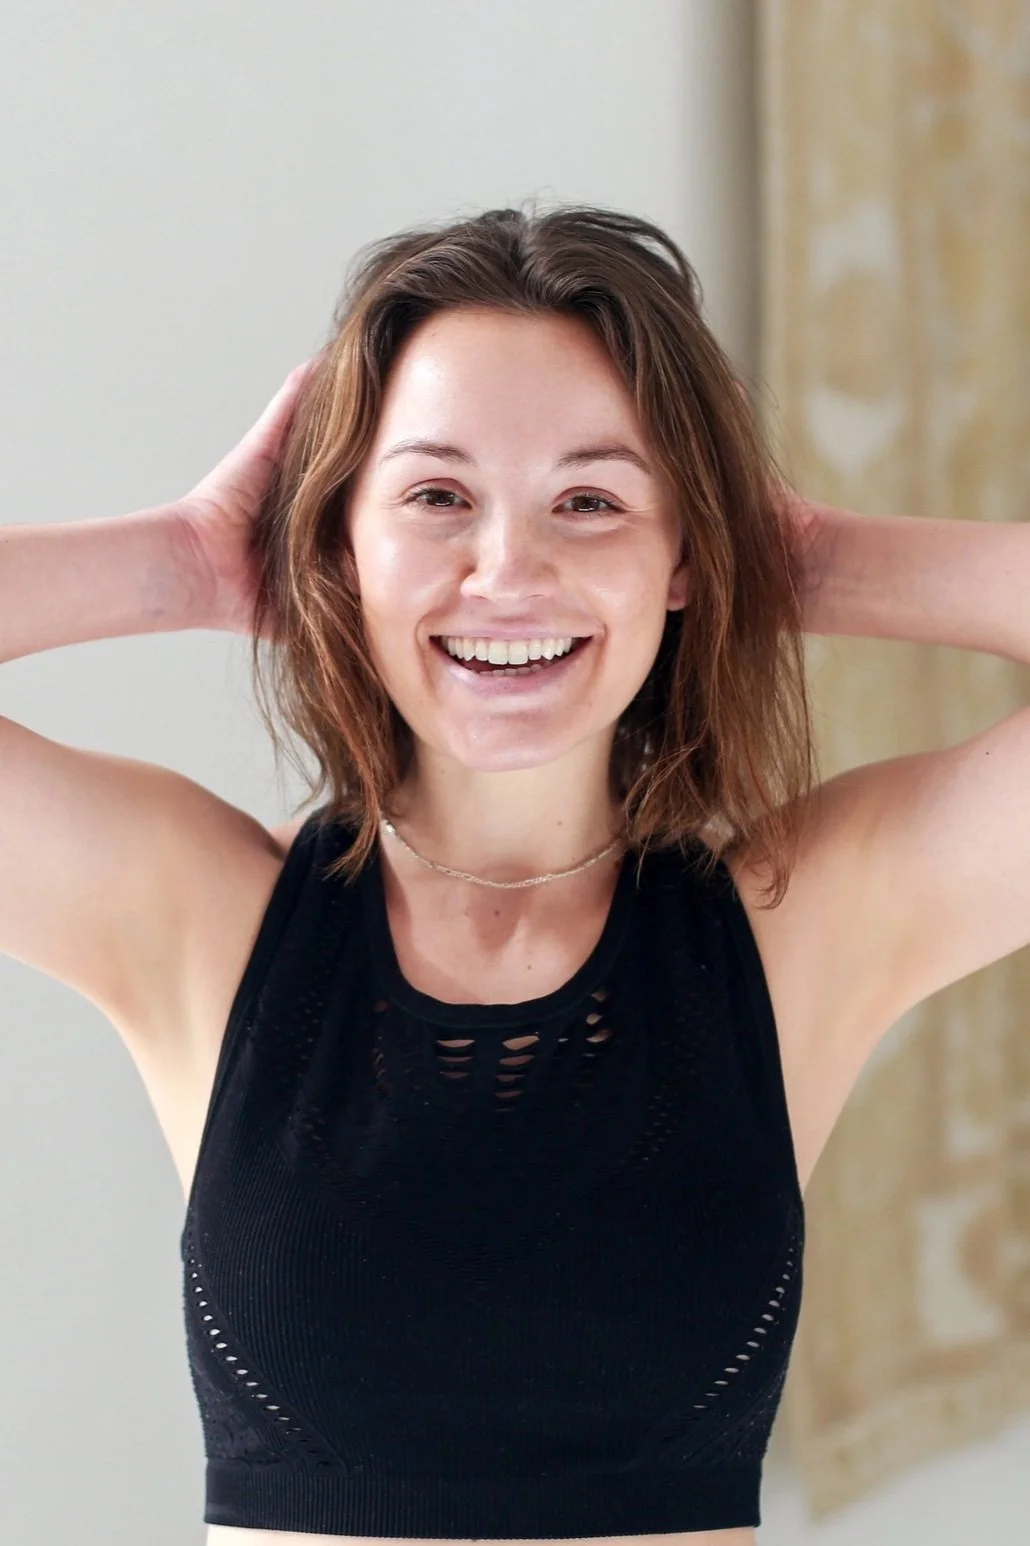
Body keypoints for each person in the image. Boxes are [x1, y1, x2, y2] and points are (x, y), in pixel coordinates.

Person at [3, 202, 1029, 1546]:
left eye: (590, 501)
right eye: (435, 496)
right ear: (335, 545)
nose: (510, 572)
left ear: (682, 557)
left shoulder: (798, 930)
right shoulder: (199, 920)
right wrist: (181, 558)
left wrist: (807, 560)